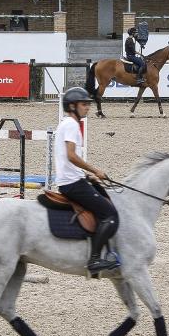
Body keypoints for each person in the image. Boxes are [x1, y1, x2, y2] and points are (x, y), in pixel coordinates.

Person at [55, 87, 119, 274]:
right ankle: (95, 260)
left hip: (73, 179)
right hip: (71, 184)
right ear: (73, 106)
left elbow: (69, 160)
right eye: (84, 104)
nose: (88, 108)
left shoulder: (68, 123)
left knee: (102, 195)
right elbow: (71, 156)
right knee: (110, 214)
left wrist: (87, 176)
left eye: (88, 104)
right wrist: (95, 170)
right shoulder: (71, 125)